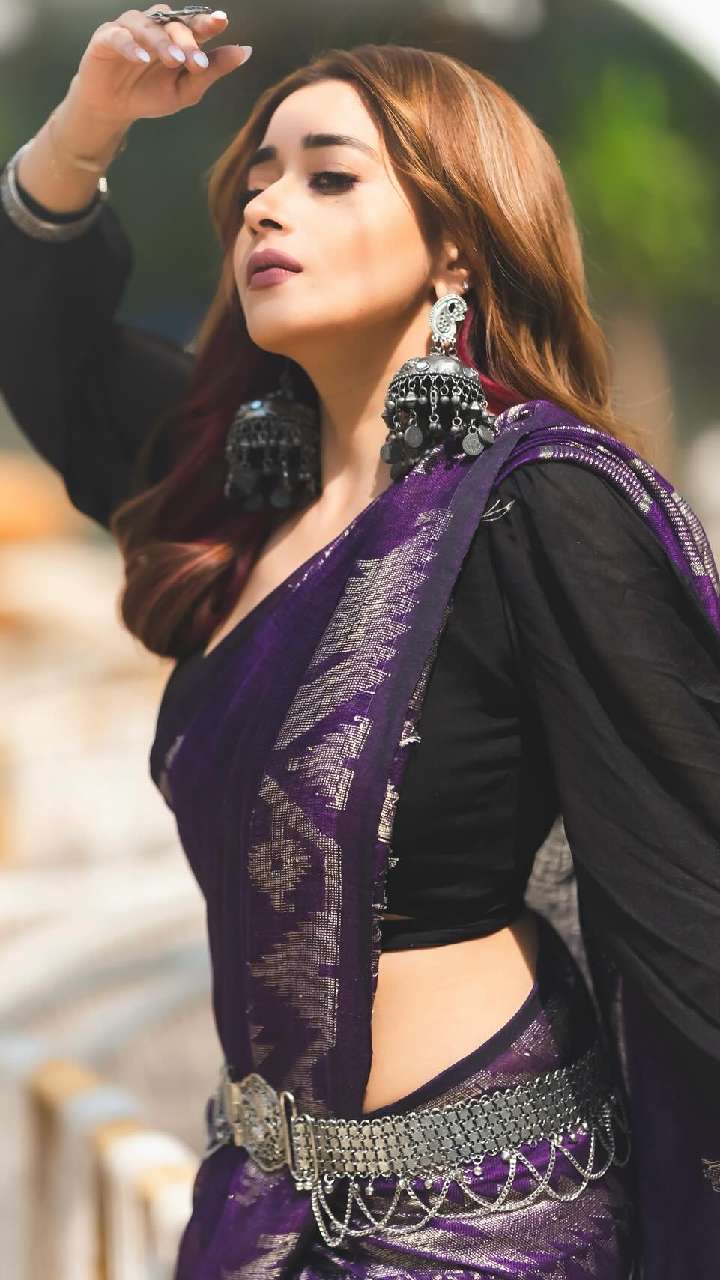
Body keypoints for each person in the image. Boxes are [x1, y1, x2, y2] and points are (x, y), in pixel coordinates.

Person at [2, 7, 719, 1277]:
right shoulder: (234, 494)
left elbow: (693, 867)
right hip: (257, 1209)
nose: (267, 207)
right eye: (256, 182)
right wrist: (88, 123)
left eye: (329, 177)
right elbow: (42, 343)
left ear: (457, 246)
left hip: (493, 1216)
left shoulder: (537, 502)